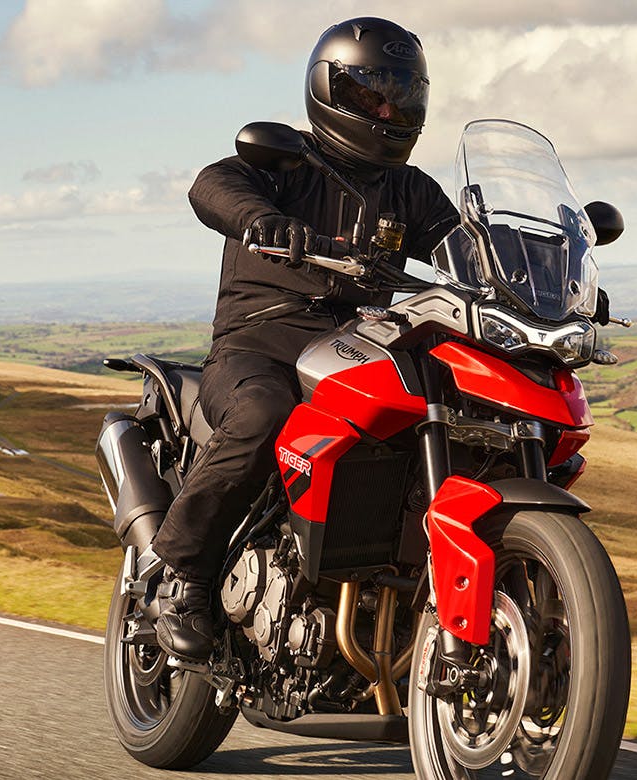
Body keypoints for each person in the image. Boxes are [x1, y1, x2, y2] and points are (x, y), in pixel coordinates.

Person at [152, 16, 459, 661]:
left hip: (357, 349)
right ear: (331, 91)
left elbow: (466, 250)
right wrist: (262, 220)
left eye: (400, 93)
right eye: (372, 93)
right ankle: (184, 575)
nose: (387, 107)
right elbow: (213, 185)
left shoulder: (412, 191)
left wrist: (531, 275)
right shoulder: (285, 163)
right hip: (258, 345)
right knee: (265, 414)